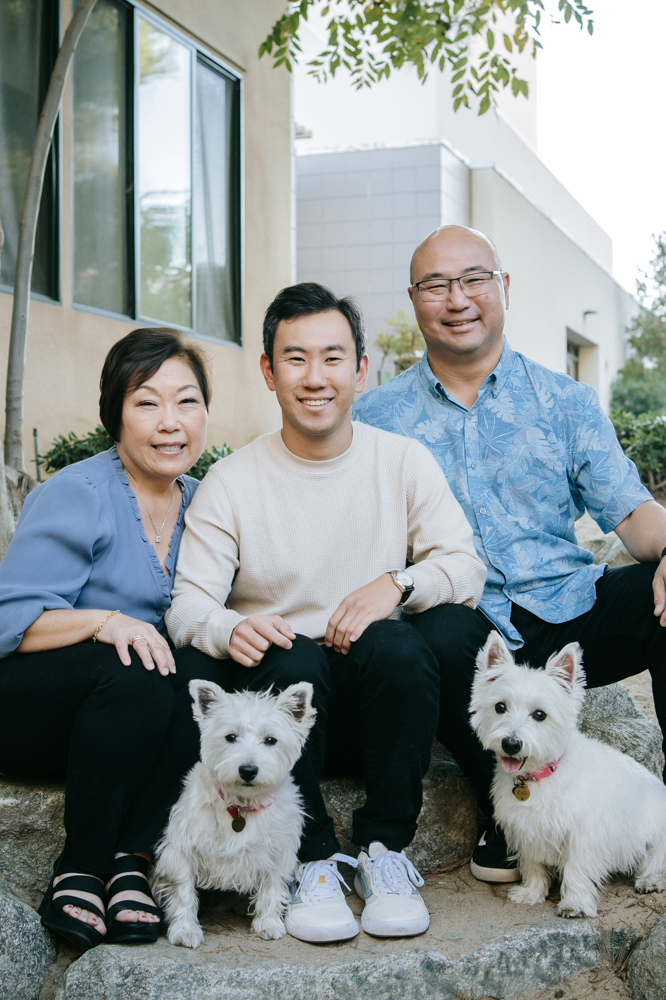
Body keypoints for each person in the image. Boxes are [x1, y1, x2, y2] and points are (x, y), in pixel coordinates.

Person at [166, 282, 485, 943]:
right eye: (296, 359)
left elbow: (464, 565)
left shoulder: (400, 461)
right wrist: (232, 625)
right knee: (293, 653)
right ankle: (309, 860)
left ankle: (384, 853)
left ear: (361, 370)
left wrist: (395, 584)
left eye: (333, 358)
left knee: (404, 645)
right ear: (268, 371)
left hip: (380, 702)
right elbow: (189, 604)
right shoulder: (235, 480)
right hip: (283, 714)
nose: (316, 378)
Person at [353, 224, 666, 884]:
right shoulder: (376, 419)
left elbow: (635, 517)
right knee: (436, 629)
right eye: (436, 284)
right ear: (414, 300)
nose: (457, 298)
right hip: (465, 629)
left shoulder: (566, 401)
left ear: (504, 287)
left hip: (570, 611)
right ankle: (508, 815)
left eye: (473, 279)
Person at [0, 327, 225, 951]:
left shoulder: (208, 505)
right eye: (146, 402)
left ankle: (131, 864)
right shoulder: (79, 492)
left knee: (200, 667)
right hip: (36, 712)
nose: (169, 422)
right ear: (115, 416)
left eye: (187, 402)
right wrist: (104, 622)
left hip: (137, 725)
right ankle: (81, 866)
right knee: (136, 661)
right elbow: (6, 619)